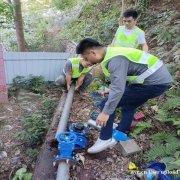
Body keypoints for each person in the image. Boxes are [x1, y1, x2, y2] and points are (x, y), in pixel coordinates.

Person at [76, 38, 173, 153]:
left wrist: (105, 113)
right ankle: (120, 131)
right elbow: (122, 79)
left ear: (93, 53)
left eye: (86, 58)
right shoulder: (112, 53)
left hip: (153, 84)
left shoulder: (115, 60)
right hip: (157, 81)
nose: (88, 62)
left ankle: (105, 139)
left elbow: (118, 89)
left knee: (105, 104)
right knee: (129, 105)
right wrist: (112, 90)